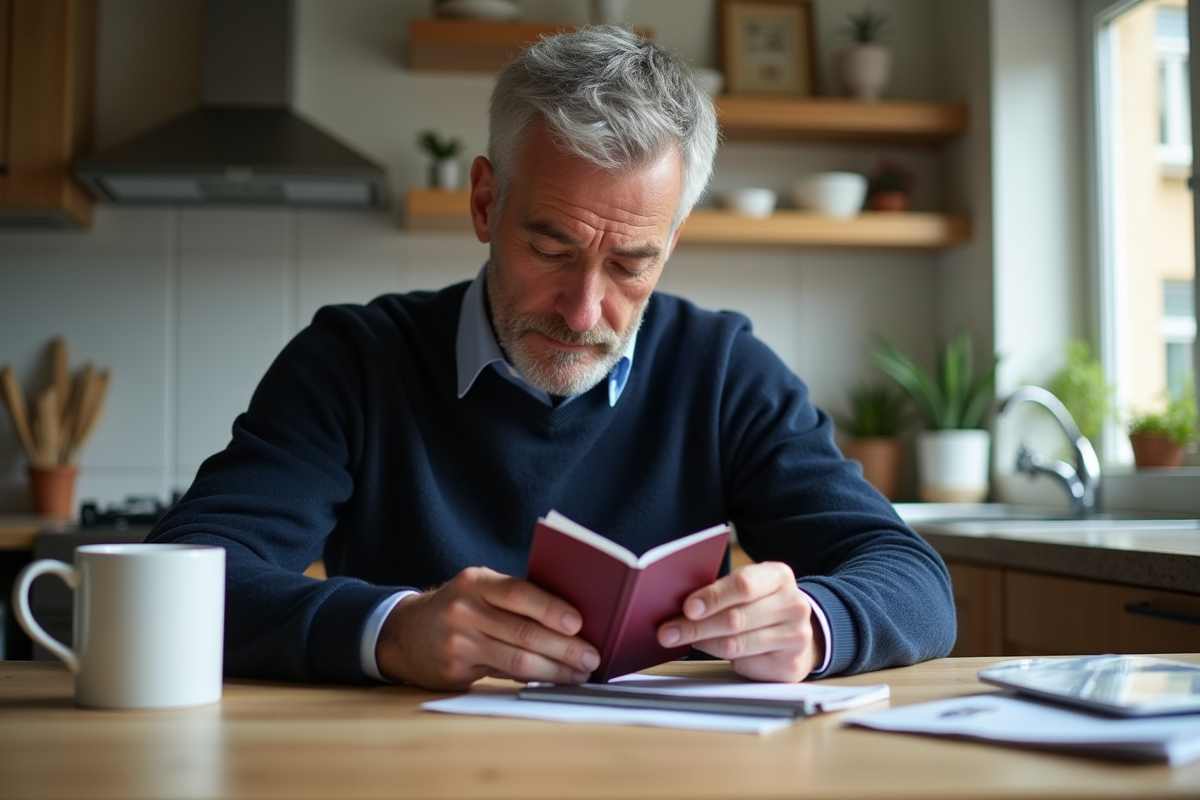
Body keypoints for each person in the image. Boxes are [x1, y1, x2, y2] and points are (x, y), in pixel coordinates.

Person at [147, 25, 956, 690]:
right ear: (485, 203)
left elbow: (913, 580)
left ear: (671, 245)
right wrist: (392, 630)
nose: (583, 311)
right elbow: (177, 580)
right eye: (550, 249)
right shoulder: (354, 362)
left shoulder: (725, 372)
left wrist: (814, 622)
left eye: (631, 264)